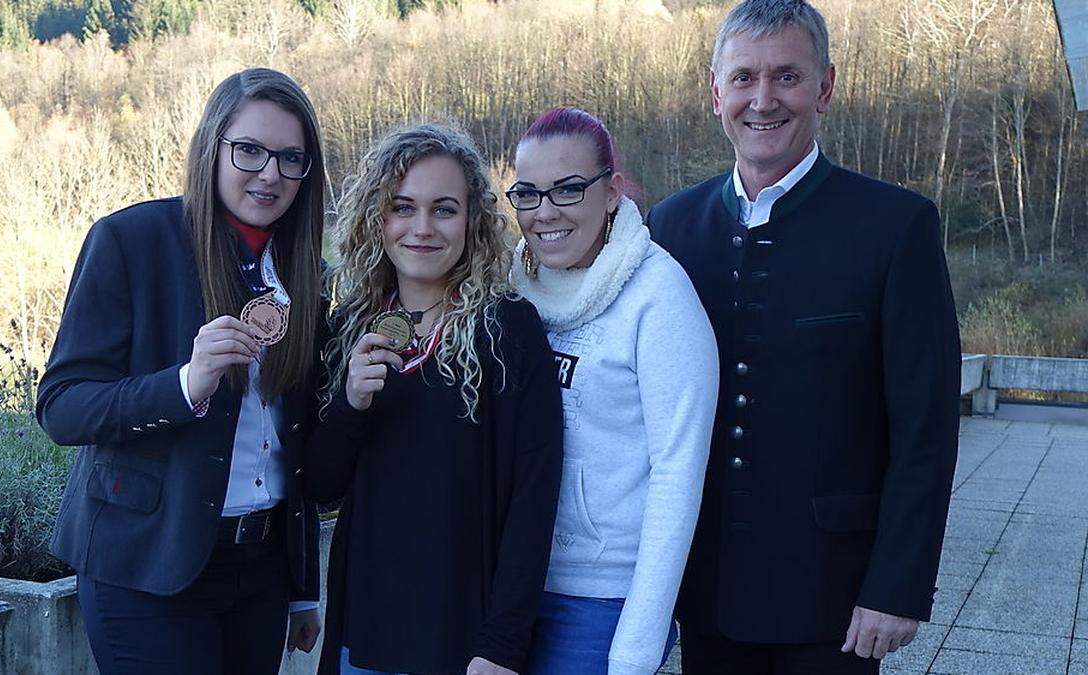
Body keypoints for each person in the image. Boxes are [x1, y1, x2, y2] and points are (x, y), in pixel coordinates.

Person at [647, 1, 962, 673]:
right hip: (704, 590)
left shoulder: (894, 226)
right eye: (743, 78)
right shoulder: (670, 228)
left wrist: (896, 587)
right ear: (715, 93)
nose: (763, 100)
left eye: (787, 76)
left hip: (836, 598)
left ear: (825, 87)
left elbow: (924, 428)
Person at [36, 68, 326, 675]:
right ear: (212, 145)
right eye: (250, 150)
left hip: (262, 572)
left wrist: (302, 586)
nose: (270, 173)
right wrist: (183, 385)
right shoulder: (131, 240)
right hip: (146, 569)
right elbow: (62, 406)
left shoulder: (308, 273)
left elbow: (291, 444)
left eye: (291, 157)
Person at [304, 123, 564, 675]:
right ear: (378, 217)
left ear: (472, 222)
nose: (422, 228)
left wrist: (501, 645)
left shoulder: (509, 331)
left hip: (463, 642)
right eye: (403, 207)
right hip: (366, 638)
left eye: (444, 209)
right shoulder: (348, 327)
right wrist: (350, 403)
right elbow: (321, 486)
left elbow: (534, 501)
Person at [506, 107, 719, 675]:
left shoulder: (660, 297)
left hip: (600, 601)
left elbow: (679, 473)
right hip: (508, 588)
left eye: (568, 189)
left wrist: (636, 645)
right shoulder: (511, 289)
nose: (544, 212)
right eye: (527, 194)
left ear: (611, 192)